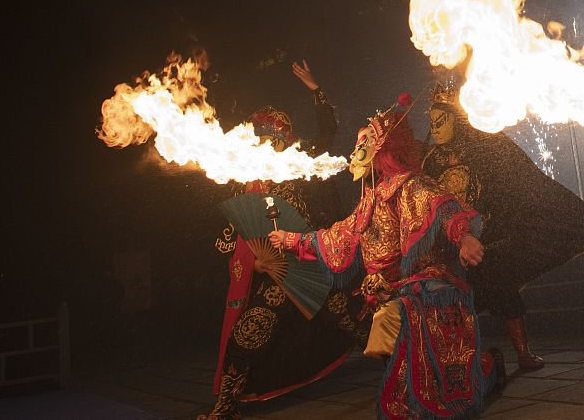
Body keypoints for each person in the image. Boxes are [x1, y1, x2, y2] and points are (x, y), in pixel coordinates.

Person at [270, 95, 502, 419]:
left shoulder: (411, 186)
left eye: (362, 145)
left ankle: (478, 372)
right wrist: (291, 239)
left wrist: (464, 238)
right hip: (388, 290)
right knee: (384, 332)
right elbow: (337, 236)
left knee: (395, 327)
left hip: (427, 282)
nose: (355, 154)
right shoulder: (370, 200)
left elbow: (443, 207)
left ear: (383, 149)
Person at [202, 61, 365, 420]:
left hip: (311, 265)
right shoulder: (243, 185)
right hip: (275, 278)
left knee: (350, 319)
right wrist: (254, 260)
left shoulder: (298, 165)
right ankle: (226, 407)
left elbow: (327, 133)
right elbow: (225, 244)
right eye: (260, 139)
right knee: (247, 336)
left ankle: (399, 364)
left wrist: (315, 90)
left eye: (271, 139)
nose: (265, 145)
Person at [421, 80, 584, 370]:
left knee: (500, 282)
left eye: (441, 121)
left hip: (489, 234)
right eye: (432, 122)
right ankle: (461, 363)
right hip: (448, 242)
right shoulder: (429, 160)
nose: (435, 128)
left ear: (457, 120)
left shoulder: (485, 145)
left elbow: (515, 183)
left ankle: (523, 352)